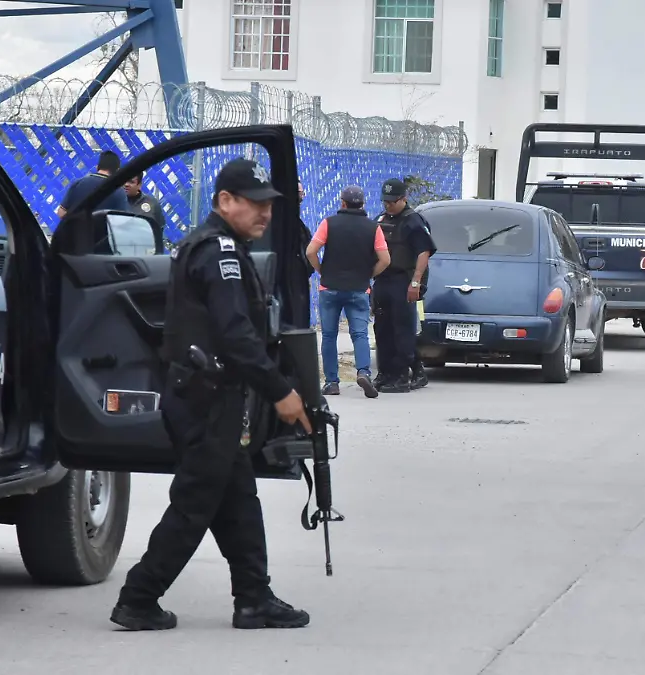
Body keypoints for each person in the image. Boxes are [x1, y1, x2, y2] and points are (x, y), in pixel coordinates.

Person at [110, 158, 313, 632]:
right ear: (225, 201)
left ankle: (254, 598)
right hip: (207, 400)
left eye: (269, 205)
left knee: (238, 498)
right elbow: (236, 335)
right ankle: (138, 598)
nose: (265, 214)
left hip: (207, 397)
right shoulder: (219, 253)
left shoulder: (207, 246)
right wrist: (280, 390)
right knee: (195, 504)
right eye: (256, 204)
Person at [305, 185, 389, 399]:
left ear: (342, 203)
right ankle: (363, 372)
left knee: (330, 335)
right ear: (362, 204)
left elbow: (311, 251)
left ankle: (332, 382)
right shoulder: (373, 228)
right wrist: (369, 274)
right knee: (360, 334)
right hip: (358, 288)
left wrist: (321, 269)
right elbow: (385, 260)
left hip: (329, 287)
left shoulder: (329, 224)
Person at [371, 178, 436, 394]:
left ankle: (401, 375)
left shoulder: (413, 221)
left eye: (392, 201)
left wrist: (416, 282)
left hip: (403, 280)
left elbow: (423, 252)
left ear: (404, 199)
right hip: (382, 280)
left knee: (402, 329)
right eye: (385, 201)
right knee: (382, 328)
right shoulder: (380, 219)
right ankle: (387, 372)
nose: (388, 205)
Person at [56, 149, 129, 219]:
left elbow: (61, 213)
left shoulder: (78, 184)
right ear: (117, 171)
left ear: (97, 167)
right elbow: (122, 220)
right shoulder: (118, 191)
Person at [124, 170, 167, 252]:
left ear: (139, 185)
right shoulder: (116, 201)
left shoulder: (151, 203)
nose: (126, 184)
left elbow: (159, 230)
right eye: (124, 181)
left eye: (131, 182)